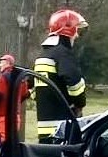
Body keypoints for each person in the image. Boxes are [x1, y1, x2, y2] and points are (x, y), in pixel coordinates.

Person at [33, 9, 88, 143]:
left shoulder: (42, 56)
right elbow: (75, 84)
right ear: (69, 31)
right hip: (63, 128)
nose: (77, 36)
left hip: (45, 128)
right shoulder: (63, 54)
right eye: (76, 31)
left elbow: (34, 91)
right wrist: (80, 103)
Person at [0, 54, 30, 153]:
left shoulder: (3, 77)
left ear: (8, 63)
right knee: (12, 138)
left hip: (2, 115)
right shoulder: (21, 77)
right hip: (15, 115)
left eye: (1, 62)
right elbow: (25, 95)